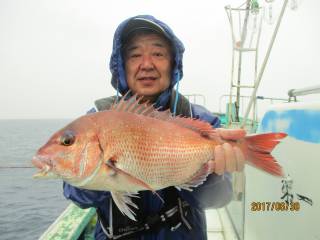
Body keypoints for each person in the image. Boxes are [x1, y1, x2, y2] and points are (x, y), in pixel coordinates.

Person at [64, 15, 246, 240]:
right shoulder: (96, 121)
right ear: (121, 65)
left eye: (158, 54)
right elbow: (74, 194)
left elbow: (219, 199)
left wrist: (213, 174)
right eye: (135, 55)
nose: (147, 64)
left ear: (173, 63)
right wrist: (98, 176)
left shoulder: (200, 120)